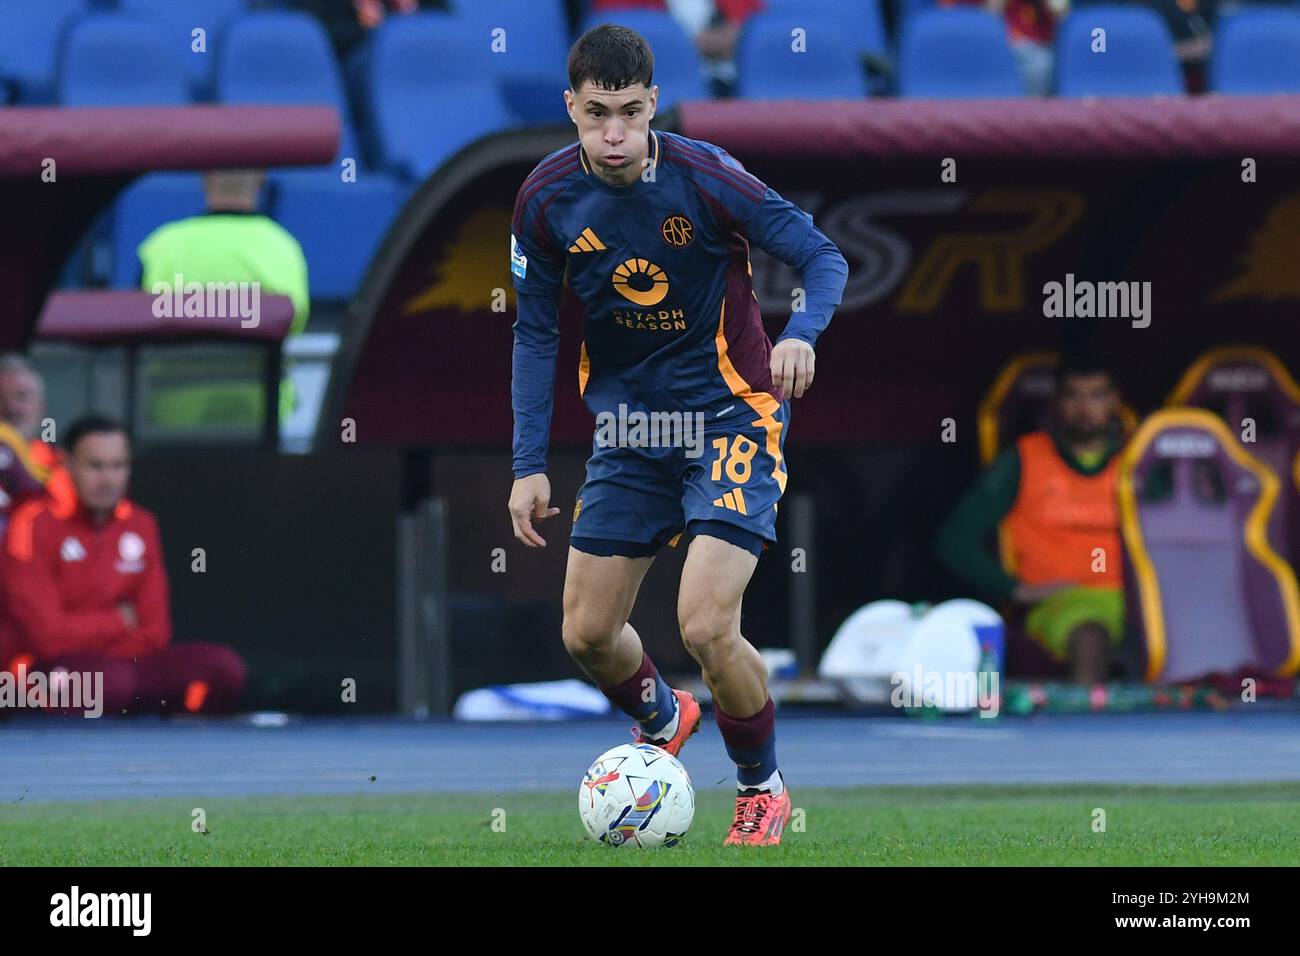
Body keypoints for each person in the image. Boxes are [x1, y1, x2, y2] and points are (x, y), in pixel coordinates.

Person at [508, 25, 848, 845]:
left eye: (629, 112)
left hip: (732, 413)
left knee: (703, 623)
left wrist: (801, 332)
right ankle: (666, 717)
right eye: (597, 115)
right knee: (587, 634)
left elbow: (823, 256)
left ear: (654, 103)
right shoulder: (545, 200)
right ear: (571, 108)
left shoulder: (706, 175)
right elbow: (535, 333)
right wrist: (527, 464)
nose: (614, 134)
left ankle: (762, 786)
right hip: (629, 432)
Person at [0, 416, 246, 715]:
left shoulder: (141, 523)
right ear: (67, 465)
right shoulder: (34, 522)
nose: (109, 479)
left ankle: (175, 733)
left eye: (118, 466)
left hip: (125, 666)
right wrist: (118, 620)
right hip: (47, 668)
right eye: (96, 466)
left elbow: (156, 630)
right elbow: (45, 636)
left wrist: (99, 636)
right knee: (108, 684)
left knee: (223, 669)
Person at [934, 356, 1125, 684]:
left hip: (1141, 602)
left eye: (1096, 395)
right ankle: (1083, 730)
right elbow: (953, 541)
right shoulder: (1023, 459)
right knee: (1089, 636)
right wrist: (1016, 591)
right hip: (1065, 603)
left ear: (1114, 402)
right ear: (1056, 403)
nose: (1084, 408)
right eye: (1073, 396)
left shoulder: (1139, 460)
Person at [137, 169, 309, 427]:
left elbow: (137, 325)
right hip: (261, 412)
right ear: (261, 177)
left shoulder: (161, 245)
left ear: (204, 175)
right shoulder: (283, 247)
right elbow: (296, 322)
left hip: (174, 412)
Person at [0, 354, 74, 528]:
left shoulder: (62, 464)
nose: (12, 408)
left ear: (41, 406)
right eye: (0, 398)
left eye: (21, 397)